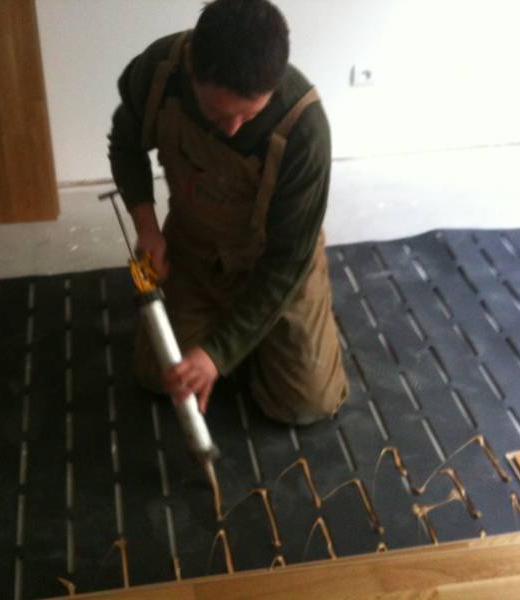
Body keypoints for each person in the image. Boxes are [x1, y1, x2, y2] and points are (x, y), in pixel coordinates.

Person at [108, 0, 348, 425]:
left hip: (274, 265)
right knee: (157, 378)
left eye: (249, 115)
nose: (233, 128)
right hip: (196, 246)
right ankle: (243, 336)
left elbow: (288, 260)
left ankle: (266, 340)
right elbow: (126, 145)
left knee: (305, 405)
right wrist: (147, 227)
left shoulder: (305, 130)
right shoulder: (160, 71)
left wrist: (217, 353)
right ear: (192, 70)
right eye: (218, 113)